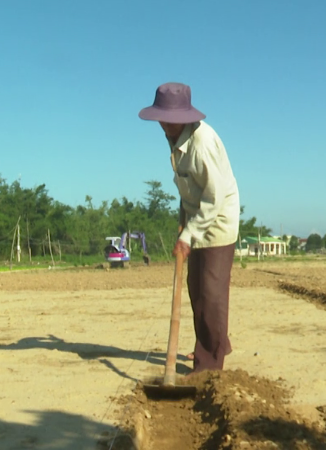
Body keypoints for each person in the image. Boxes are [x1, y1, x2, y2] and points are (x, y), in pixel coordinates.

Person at [138, 82, 240, 375]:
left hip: (217, 220)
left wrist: (189, 236)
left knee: (211, 292)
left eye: (169, 120)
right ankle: (215, 342)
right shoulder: (175, 138)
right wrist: (183, 224)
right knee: (196, 289)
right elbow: (188, 190)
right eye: (162, 119)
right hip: (196, 217)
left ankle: (208, 365)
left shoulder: (202, 144)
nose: (165, 125)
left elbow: (213, 197)